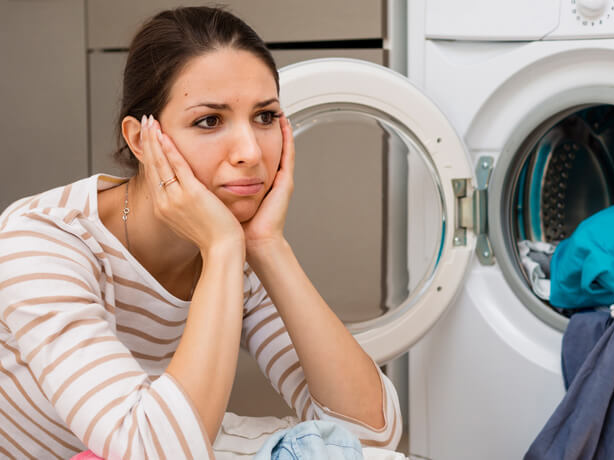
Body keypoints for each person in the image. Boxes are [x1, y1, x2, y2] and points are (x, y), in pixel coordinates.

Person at [0, 7, 401, 459]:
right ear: (139, 139)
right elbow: (152, 452)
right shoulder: (41, 241)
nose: (250, 151)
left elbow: (369, 434)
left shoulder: (238, 243)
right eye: (209, 121)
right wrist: (223, 248)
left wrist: (267, 247)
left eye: (265, 117)